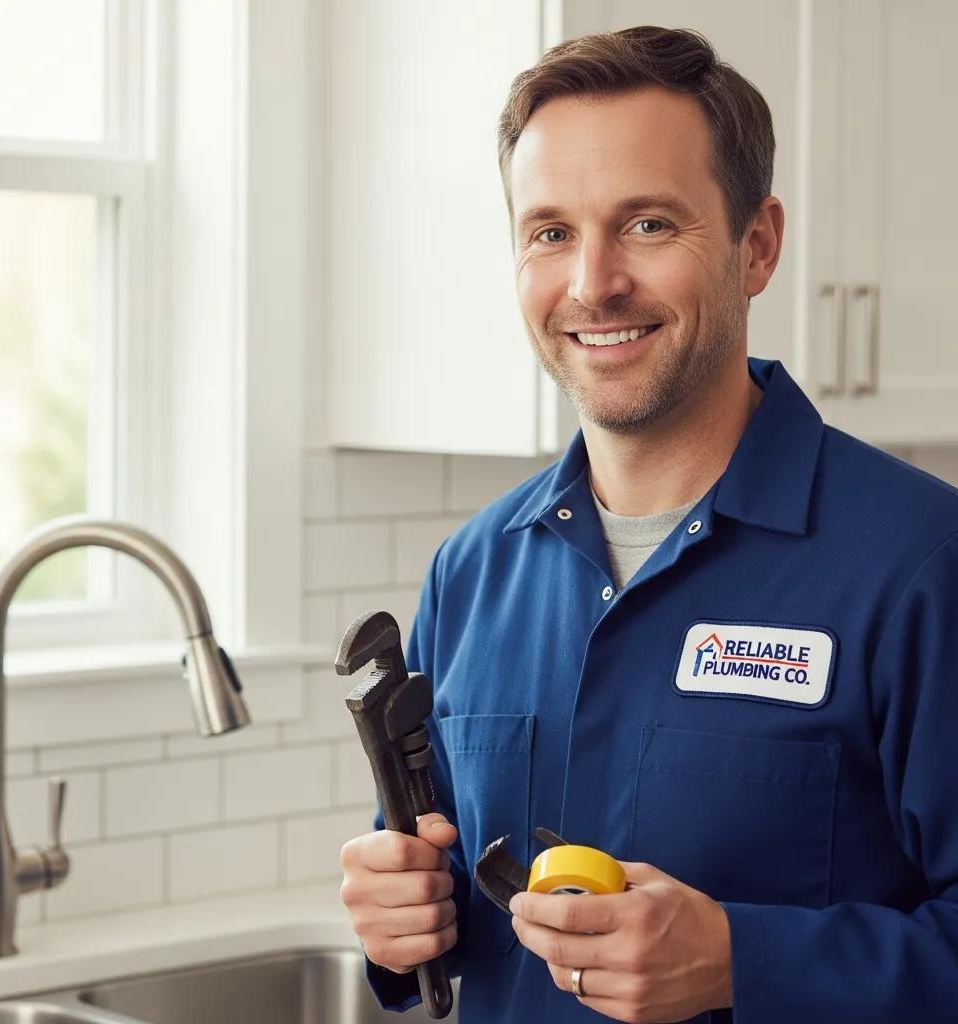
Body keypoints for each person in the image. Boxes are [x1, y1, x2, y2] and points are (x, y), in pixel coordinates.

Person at [338, 25, 958, 1024]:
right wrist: (397, 915)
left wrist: (741, 960)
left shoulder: (922, 564)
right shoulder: (472, 571)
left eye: (648, 225)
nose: (591, 283)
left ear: (756, 247)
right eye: (549, 232)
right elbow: (434, 875)